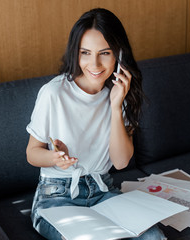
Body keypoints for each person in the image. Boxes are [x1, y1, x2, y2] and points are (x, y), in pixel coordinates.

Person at [26, 8, 166, 240]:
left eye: (105, 53)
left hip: (103, 190)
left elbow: (121, 162)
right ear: (76, 53)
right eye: (85, 53)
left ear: (119, 55)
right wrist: (55, 159)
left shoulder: (120, 94)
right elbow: (32, 153)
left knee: (154, 237)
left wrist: (114, 105)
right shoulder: (53, 93)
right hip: (56, 196)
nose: (95, 63)